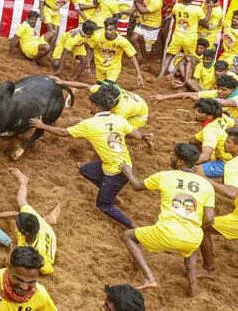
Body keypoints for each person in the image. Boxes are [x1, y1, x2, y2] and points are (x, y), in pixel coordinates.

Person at [30, 90, 153, 229]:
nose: (89, 105)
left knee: (103, 205)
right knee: (84, 169)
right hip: (125, 165)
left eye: (91, 103)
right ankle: (109, 192)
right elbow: (135, 135)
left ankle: (133, 227)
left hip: (115, 172)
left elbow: (64, 133)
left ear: (96, 106)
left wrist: (42, 126)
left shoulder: (89, 125)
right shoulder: (118, 119)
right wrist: (144, 137)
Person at [120, 143, 215, 296]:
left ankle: (149, 277)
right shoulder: (206, 185)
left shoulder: (164, 176)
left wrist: (128, 172)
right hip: (193, 236)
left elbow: (137, 186)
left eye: (173, 155)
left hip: (166, 233)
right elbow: (210, 218)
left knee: (128, 236)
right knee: (190, 250)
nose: (170, 156)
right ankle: (193, 288)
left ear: (180, 162)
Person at [0, 168, 60, 274]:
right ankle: (24, 181)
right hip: (45, 229)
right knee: (21, 201)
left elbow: (48, 270)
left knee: (12, 259)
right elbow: (15, 214)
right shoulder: (33, 220)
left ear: (24, 233)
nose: (16, 222)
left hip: (44, 245)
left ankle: (49, 219)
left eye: (18, 225)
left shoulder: (34, 253)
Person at [198, 127, 238, 276]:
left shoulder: (233, 165)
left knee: (203, 225)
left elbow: (232, 192)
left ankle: (208, 268)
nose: (225, 145)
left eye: (228, 142)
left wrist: (205, 179)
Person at [51, 78, 149, 128]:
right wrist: (62, 82)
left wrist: (85, 122)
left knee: (120, 132)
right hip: (134, 102)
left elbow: (109, 126)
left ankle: (146, 137)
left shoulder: (122, 111)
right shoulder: (104, 90)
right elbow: (85, 86)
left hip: (138, 116)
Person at [158, 0, 208, 79]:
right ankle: (186, 80)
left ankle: (160, 75)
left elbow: (174, 17)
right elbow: (205, 21)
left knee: (169, 55)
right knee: (189, 59)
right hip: (190, 37)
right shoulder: (197, 9)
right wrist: (209, 9)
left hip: (178, 35)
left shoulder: (177, 6)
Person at [87, 17, 144, 86]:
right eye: (107, 29)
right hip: (99, 68)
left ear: (115, 30)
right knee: (100, 87)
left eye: (111, 30)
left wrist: (138, 74)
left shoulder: (122, 41)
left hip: (113, 68)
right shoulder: (97, 37)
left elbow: (132, 57)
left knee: (109, 86)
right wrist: (88, 65)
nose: (108, 32)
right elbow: (90, 48)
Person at [154, 74, 238, 118]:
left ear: (233, 89)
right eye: (219, 88)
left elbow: (222, 102)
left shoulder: (236, 98)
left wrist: (201, 98)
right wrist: (163, 97)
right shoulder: (217, 93)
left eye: (224, 90)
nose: (220, 91)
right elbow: (189, 94)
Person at [192, 99, 236, 178]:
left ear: (210, 116)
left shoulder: (210, 131)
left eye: (199, 111)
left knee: (194, 170)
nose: (195, 112)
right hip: (229, 153)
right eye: (196, 109)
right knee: (193, 140)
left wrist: (187, 163)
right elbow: (234, 122)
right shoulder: (221, 116)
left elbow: (205, 157)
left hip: (226, 162)